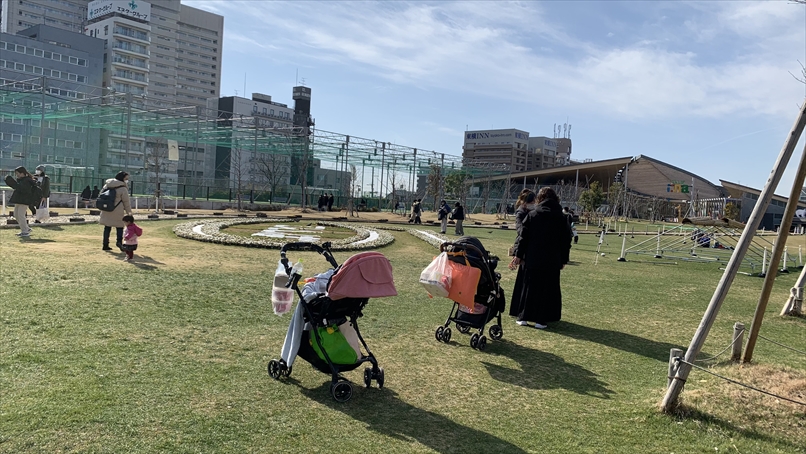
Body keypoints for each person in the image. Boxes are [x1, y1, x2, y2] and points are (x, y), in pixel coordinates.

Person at [509, 187, 571, 329]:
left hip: (533, 257)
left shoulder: (533, 215)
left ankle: (523, 317)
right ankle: (541, 320)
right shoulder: (561, 217)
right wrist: (563, 260)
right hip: (552, 259)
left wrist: (518, 255)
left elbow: (523, 237)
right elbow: (566, 240)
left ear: (540, 199)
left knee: (529, 287)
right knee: (546, 289)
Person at [99, 171, 133, 251]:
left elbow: (100, 196)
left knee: (107, 227)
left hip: (107, 209)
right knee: (120, 226)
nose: (127, 180)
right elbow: (126, 202)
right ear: (122, 178)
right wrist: (129, 212)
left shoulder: (107, 185)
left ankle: (105, 244)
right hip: (118, 210)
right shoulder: (123, 189)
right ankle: (119, 243)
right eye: (126, 178)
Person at [5, 166, 37, 237]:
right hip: (19, 200)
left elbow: (23, 190)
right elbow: (19, 188)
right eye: (16, 173)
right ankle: (27, 229)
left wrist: (15, 185)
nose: (17, 175)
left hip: (24, 201)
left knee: (21, 215)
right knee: (16, 215)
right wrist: (14, 185)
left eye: (18, 173)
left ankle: (25, 231)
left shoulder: (27, 180)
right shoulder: (22, 180)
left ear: (22, 173)